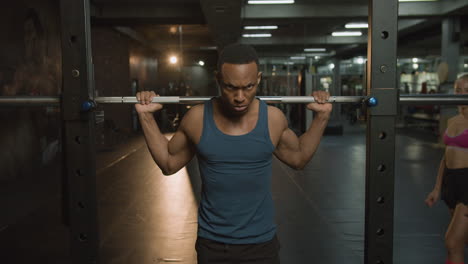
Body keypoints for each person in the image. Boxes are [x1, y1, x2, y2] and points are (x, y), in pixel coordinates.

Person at [135, 43, 332, 264]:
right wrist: (146, 117)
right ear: (218, 79)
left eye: (248, 87)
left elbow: (299, 158)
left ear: (258, 79)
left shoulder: (273, 119)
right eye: (230, 87)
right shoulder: (198, 119)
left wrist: (322, 118)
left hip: (261, 244)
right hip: (213, 245)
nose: (240, 97)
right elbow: (169, 163)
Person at [425, 74, 468, 264]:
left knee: (452, 242)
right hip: (451, 182)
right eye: (458, 90)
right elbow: (446, 157)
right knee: (460, 243)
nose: (462, 94)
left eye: (467, 91)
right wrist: (437, 188)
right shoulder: (452, 120)